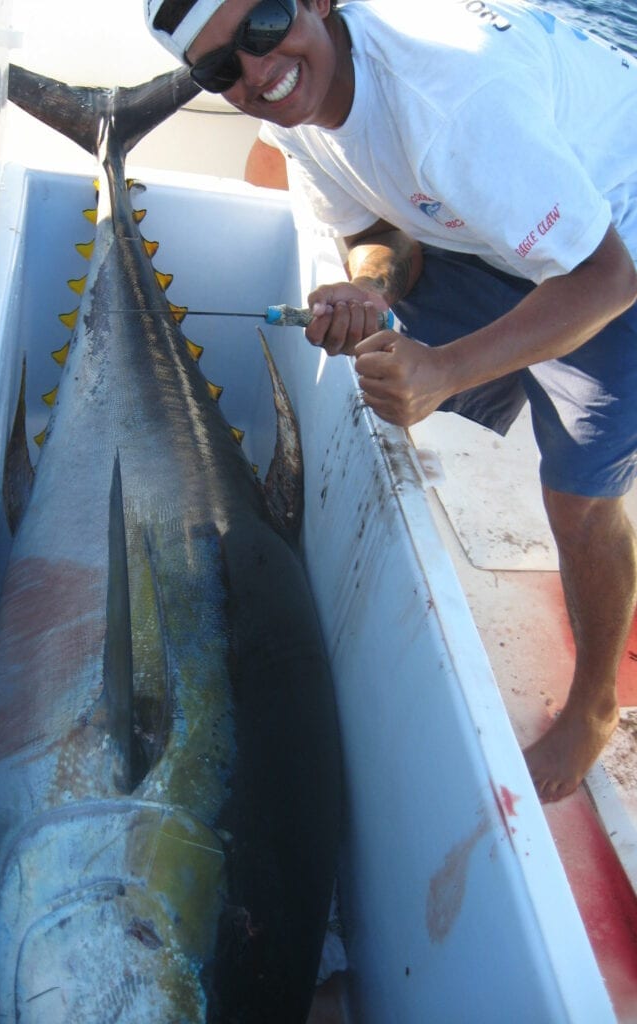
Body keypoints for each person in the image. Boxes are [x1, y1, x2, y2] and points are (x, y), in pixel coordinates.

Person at [145, 0, 637, 803]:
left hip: (615, 238)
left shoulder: (455, 98)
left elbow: (604, 277)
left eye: (265, 26)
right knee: (392, 373)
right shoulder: (295, 113)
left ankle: (594, 706)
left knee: (580, 505)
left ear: (317, 2)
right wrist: (368, 292)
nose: (257, 71)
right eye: (218, 69)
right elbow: (378, 228)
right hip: (484, 223)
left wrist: (443, 367)